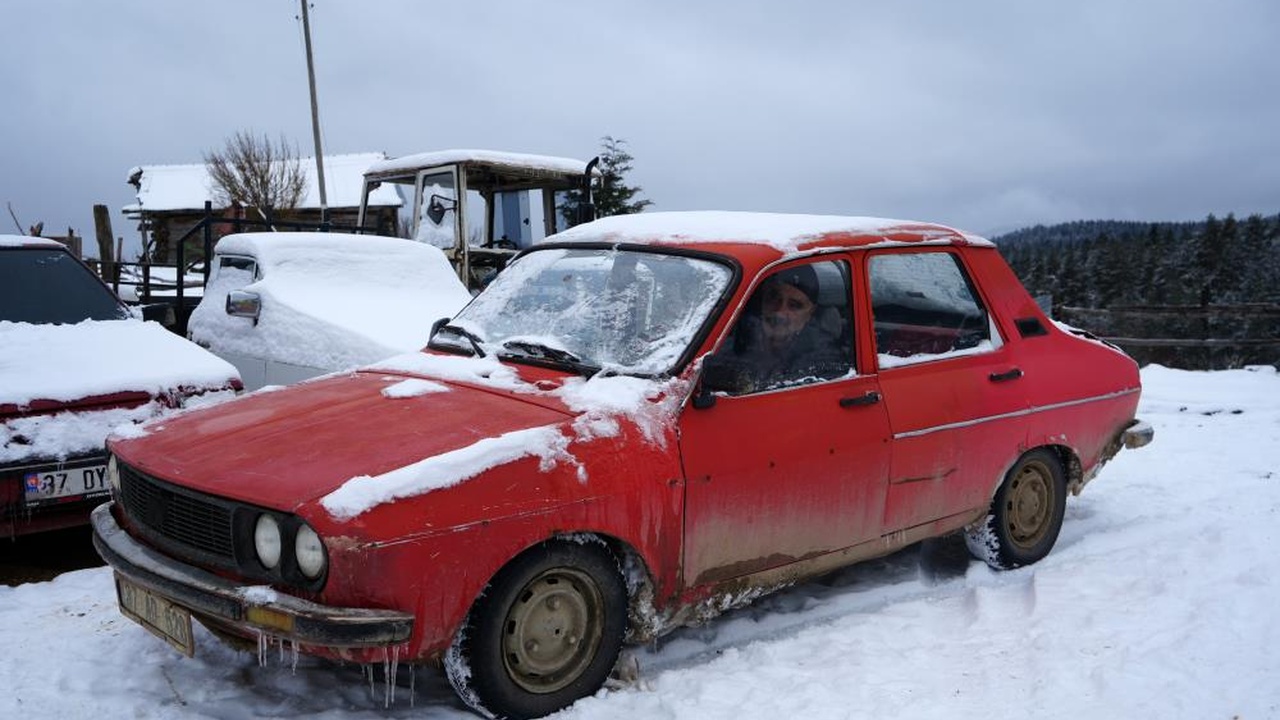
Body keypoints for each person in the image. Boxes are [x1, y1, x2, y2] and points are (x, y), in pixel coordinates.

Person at [727, 263, 848, 391]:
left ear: (809, 315)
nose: (779, 312)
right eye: (773, 299)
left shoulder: (824, 360)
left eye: (794, 305)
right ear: (762, 301)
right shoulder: (733, 343)